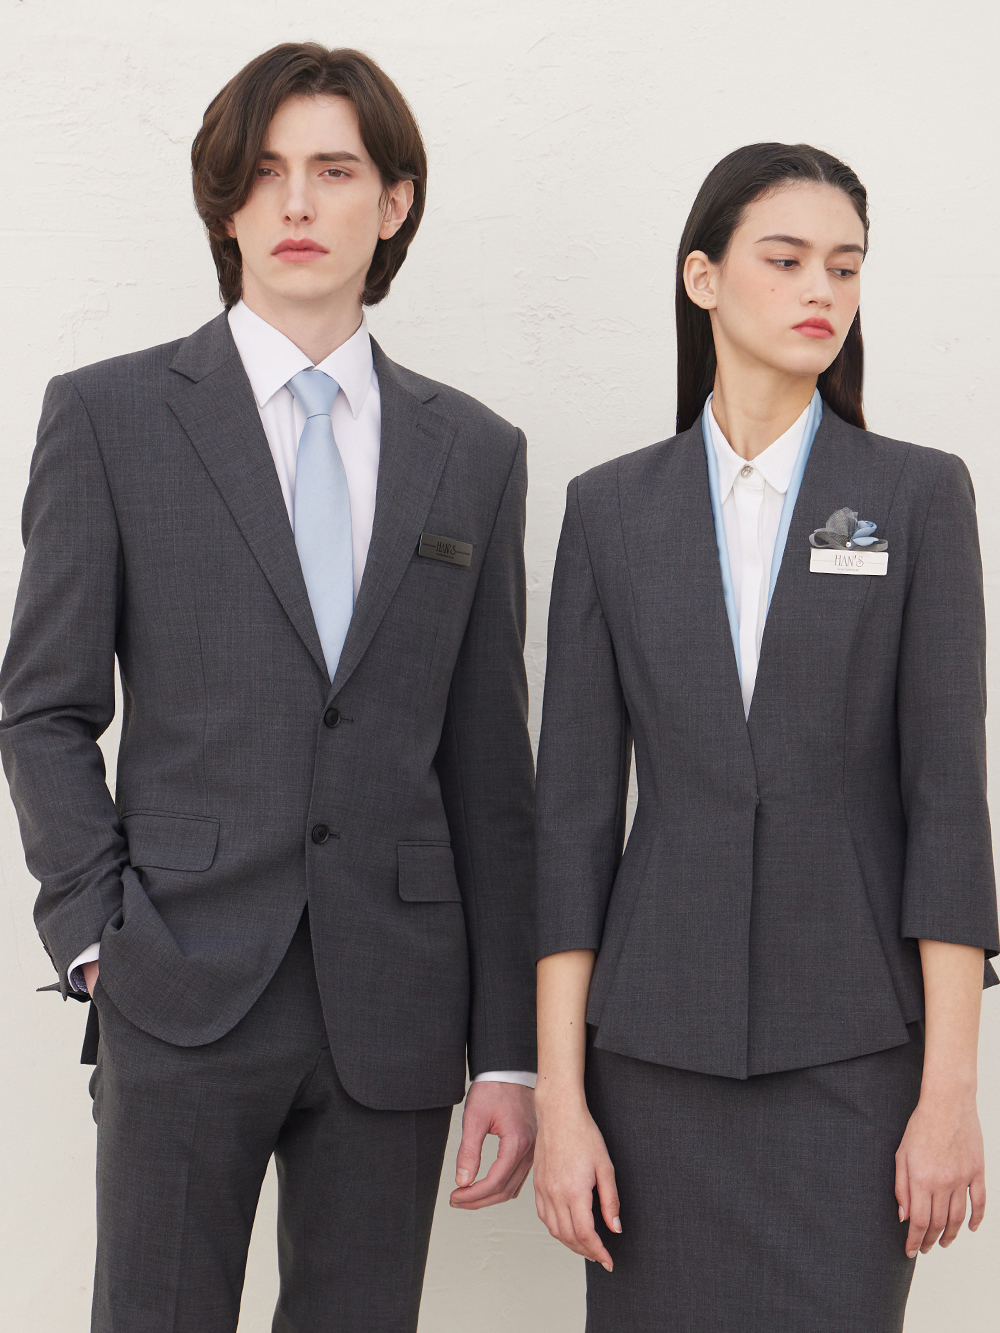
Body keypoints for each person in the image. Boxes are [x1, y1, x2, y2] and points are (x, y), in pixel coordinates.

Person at [0, 42, 536, 1333]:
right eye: (264, 173)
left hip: (399, 999)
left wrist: (510, 1049)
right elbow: (45, 709)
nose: (297, 203)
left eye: (334, 171)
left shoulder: (474, 449)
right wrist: (97, 939)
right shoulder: (111, 417)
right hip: (177, 977)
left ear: (393, 203)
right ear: (225, 205)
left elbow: (489, 773)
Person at [531, 142, 998, 1331]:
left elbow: (948, 808)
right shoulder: (608, 510)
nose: (820, 291)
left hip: (853, 1056)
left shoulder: (917, 496)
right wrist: (561, 1102)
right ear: (702, 278)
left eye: (844, 266)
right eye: (785, 260)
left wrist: (950, 1093)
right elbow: (571, 827)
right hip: (648, 1059)